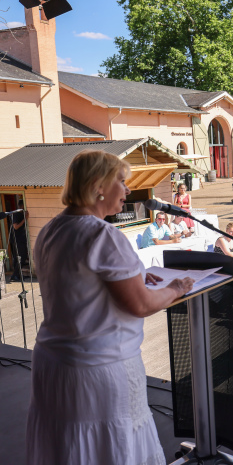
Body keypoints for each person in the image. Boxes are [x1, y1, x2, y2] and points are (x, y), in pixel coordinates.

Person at [27, 149, 194, 465]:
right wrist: (175, 288)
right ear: (98, 186)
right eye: (121, 181)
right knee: (111, 447)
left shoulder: (50, 230)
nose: (128, 190)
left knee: (70, 448)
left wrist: (138, 275)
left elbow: (77, 285)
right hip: (98, 370)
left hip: (53, 364)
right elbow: (141, 304)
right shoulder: (101, 235)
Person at [8, 203, 28, 282]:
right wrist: (25, 219)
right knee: (21, 257)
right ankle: (15, 275)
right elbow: (15, 226)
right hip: (17, 240)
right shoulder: (16, 214)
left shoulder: (20, 214)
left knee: (18, 257)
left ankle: (18, 274)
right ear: (22, 206)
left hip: (19, 239)